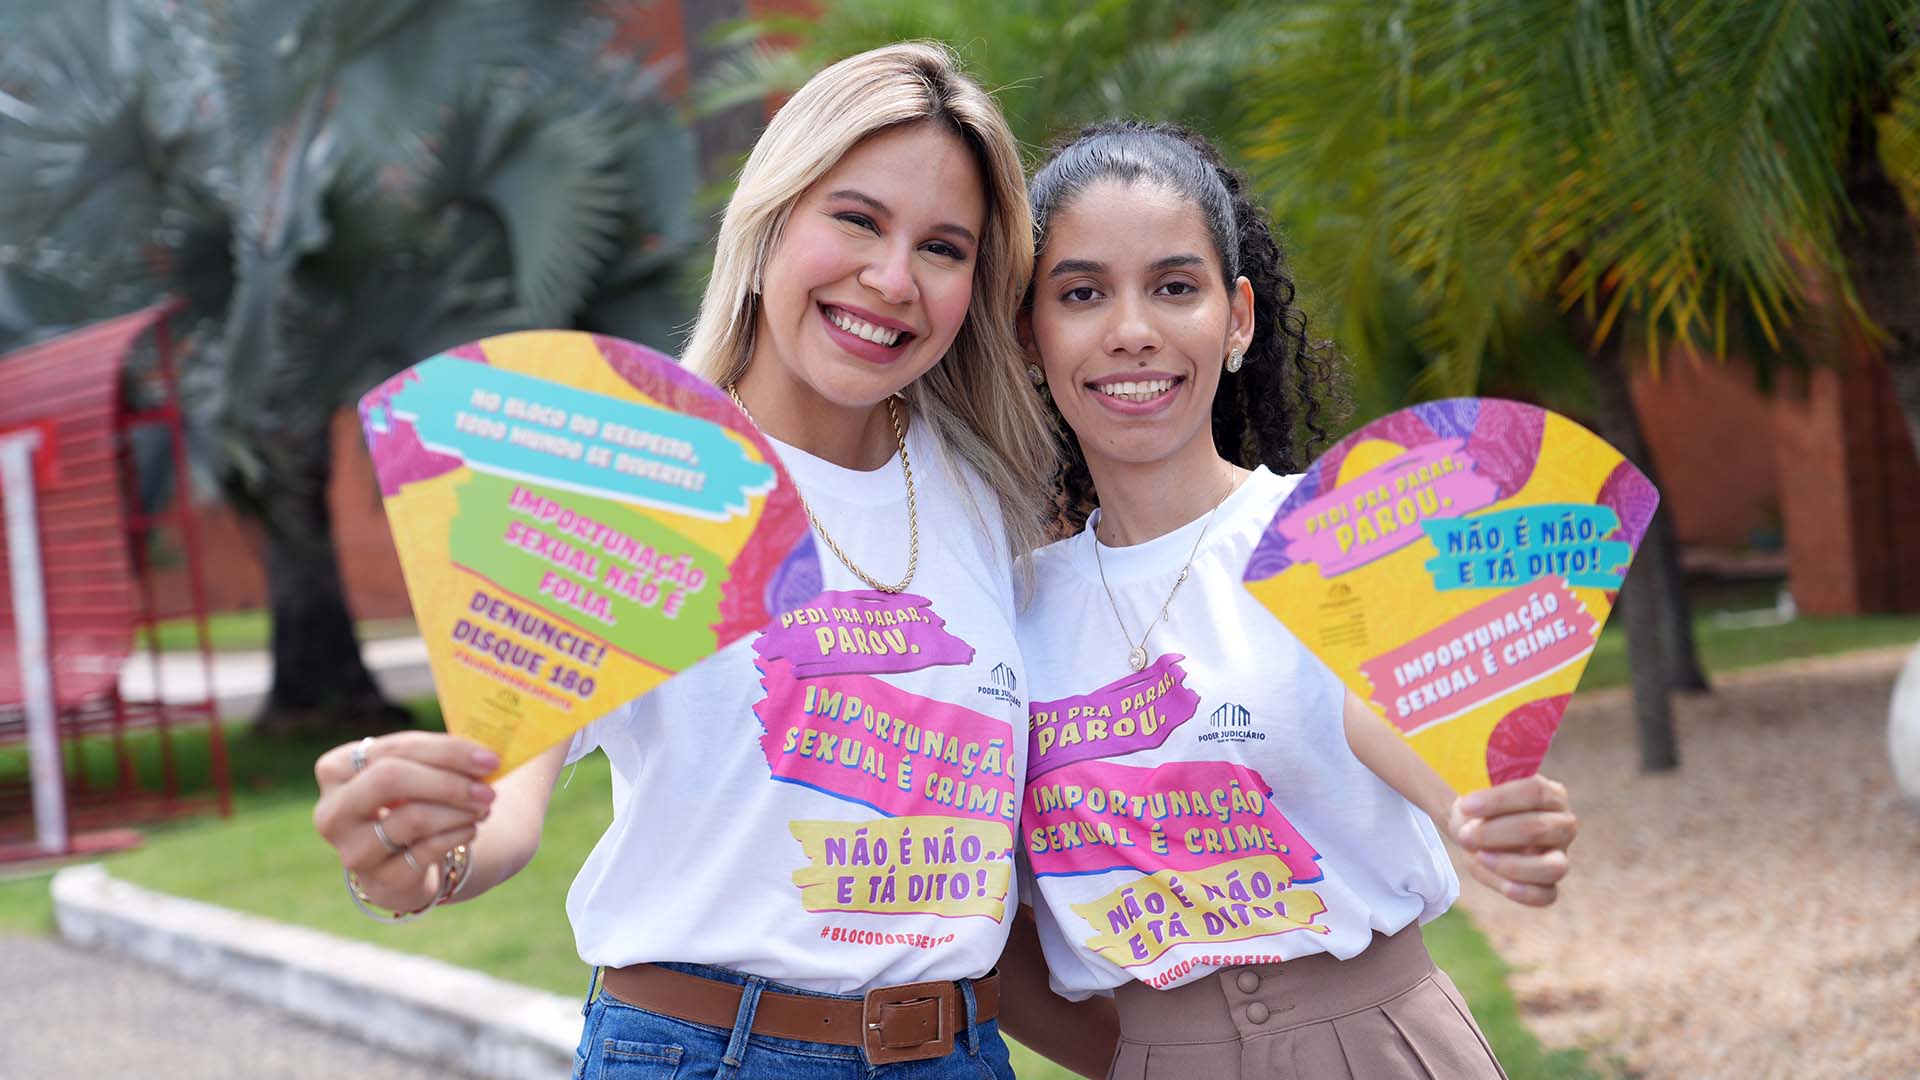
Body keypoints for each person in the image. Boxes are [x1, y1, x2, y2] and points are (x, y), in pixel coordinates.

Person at [313, 42, 1089, 1079]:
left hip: (955, 1052)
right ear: (770, 222)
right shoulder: (643, 472)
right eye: (856, 219)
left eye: (943, 247)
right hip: (707, 1053)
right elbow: (506, 797)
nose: (892, 278)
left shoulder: (991, 492)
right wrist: (422, 850)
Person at [1013, 121, 1579, 1079]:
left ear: (1236, 319)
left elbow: (1393, 718)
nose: (1133, 329)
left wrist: (1481, 810)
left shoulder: (1333, 539)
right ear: (1030, 334)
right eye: (1081, 294)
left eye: (1174, 286)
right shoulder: (1010, 608)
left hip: (1387, 1049)